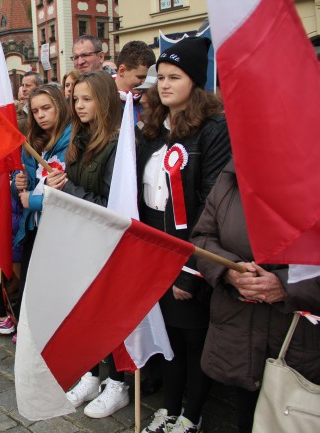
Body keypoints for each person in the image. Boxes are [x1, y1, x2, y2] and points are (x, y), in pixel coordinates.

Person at [137, 37, 232, 433]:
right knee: (166, 335)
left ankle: (192, 413)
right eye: (160, 76)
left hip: (191, 251)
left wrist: (191, 270)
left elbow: (212, 202)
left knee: (193, 338)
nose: (164, 84)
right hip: (155, 249)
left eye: (175, 76)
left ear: (195, 81)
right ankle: (169, 408)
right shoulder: (154, 130)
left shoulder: (212, 130)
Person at [190, 160, 320, 433]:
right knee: (247, 416)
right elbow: (202, 238)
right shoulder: (232, 173)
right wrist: (229, 271)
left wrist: (286, 285)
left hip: (299, 341)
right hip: (239, 332)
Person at [45, 71, 127, 419]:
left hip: (108, 243)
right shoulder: (80, 139)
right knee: (86, 312)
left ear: (104, 100)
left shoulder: (119, 142)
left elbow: (112, 202)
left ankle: (118, 383)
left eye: (87, 99)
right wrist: (57, 183)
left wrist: (68, 191)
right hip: (81, 240)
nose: (78, 106)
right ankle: (92, 374)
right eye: (75, 99)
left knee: (109, 315)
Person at [0, 84, 72, 337]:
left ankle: (50, 333)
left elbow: (71, 193)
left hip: (62, 230)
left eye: (46, 108)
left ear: (60, 107)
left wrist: (33, 200)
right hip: (34, 227)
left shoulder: (72, 143)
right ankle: (31, 330)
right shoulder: (33, 143)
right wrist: (16, 186)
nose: (40, 115)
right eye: (36, 110)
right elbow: (26, 188)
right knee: (29, 282)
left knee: (57, 285)